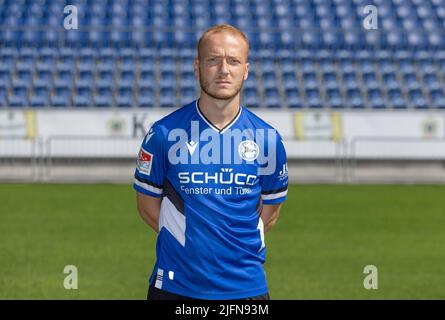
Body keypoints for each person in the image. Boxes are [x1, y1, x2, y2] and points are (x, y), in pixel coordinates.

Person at [134, 24, 288, 300]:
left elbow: (271, 213)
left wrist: (230, 247)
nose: (224, 70)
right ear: (197, 67)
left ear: (246, 70)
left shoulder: (267, 139)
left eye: (233, 61)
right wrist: (191, 244)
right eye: (213, 60)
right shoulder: (164, 134)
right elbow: (146, 206)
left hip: (246, 288)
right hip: (175, 287)